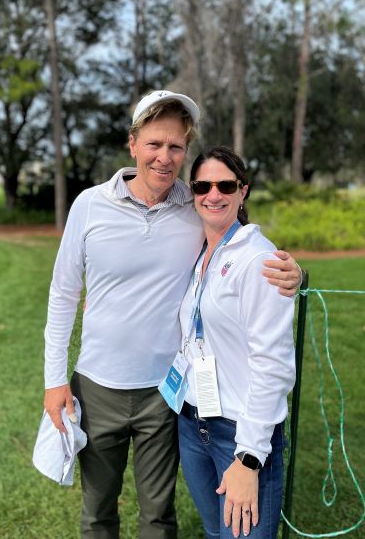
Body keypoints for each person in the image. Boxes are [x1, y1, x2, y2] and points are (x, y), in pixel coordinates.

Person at [43, 91, 301, 539]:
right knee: (97, 514)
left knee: (158, 517)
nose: (164, 157)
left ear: (185, 151)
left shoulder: (195, 202)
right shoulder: (89, 205)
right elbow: (63, 295)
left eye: (176, 147)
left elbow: (242, 253)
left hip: (166, 395)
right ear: (133, 144)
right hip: (97, 386)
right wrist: (54, 380)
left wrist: (298, 273)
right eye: (154, 144)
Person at [177, 146, 296, 539]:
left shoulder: (259, 260)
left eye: (225, 185)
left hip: (240, 434)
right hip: (194, 423)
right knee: (216, 533)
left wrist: (248, 458)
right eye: (202, 185)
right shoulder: (200, 249)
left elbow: (273, 364)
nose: (213, 194)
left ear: (242, 191)